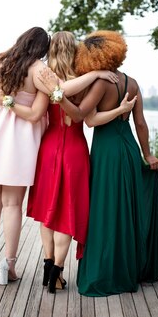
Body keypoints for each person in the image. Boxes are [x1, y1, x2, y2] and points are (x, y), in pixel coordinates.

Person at [0, 27, 120, 286]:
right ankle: (9, 265)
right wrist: (96, 72)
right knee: (12, 204)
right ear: (41, 49)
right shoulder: (37, 70)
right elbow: (58, 94)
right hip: (18, 140)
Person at [40, 30, 158, 297]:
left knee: (105, 210)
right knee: (125, 209)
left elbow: (87, 119)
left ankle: (105, 269)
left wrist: (59, 97)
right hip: (129, 148)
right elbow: (140, 123)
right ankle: (128, 266)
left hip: (106, 151)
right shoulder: (133, 83)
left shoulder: (100, 84)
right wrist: (147, 154)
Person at [26, 32, 136, 293]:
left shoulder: (45, 79)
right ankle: (57, 273)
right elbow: (83, 117)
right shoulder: (84, 83)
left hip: (49, 149)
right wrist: (97, 76)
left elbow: (41, 108)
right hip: (75, 150)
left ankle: (47, 266)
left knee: (48, 213)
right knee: (66, 214)